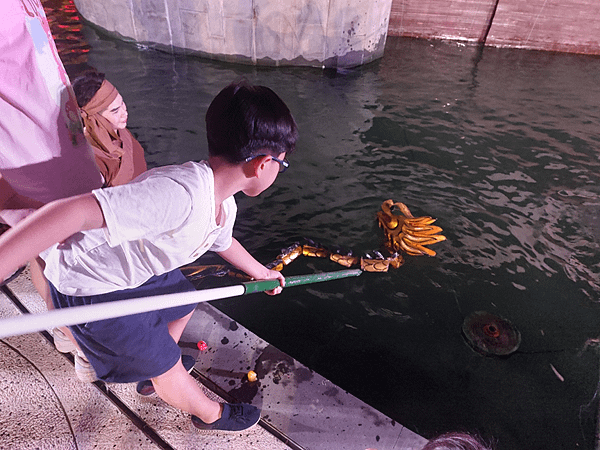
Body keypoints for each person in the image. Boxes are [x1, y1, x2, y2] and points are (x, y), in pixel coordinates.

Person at [0, 79, 297, 433]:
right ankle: (206, 411)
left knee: (185, 300)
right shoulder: (178, 195)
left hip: (126, 268)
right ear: (263, 165)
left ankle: (150, 369)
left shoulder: (220, 200)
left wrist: (260, 271)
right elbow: (75, 212)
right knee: (167, 366)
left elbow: (222, 240)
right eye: (282, 164)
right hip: (91, 284)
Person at [72, 71, 147, 187]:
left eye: (122, 103)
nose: (124, 112)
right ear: (94, 117)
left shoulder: (120, 131)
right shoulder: (91, 161)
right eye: (115, 111)